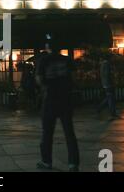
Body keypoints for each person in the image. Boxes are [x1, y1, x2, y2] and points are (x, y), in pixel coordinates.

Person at [35, 37, 79, 172]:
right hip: (66, 98)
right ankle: (73, 164)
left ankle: (46, 161)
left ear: (48, 47)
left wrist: (46, 87)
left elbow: (39, 79)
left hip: (50, 99)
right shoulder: (67, 60)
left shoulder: (44, 60)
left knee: (47, 132)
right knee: (69, 133)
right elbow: (74, 78)